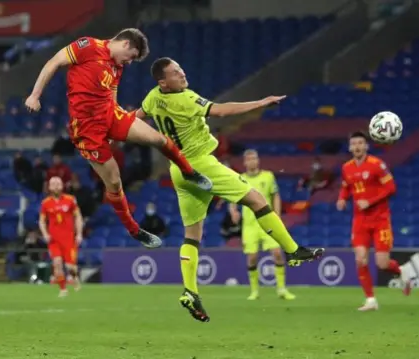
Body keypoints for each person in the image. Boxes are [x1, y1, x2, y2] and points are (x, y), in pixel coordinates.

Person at [137, 57, 324, 322]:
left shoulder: (153, 97)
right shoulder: (186, 99)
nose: (182, 72)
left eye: (181, 68)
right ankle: (293, 250)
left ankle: (190, 291)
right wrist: (260, 102)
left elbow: (136, 116)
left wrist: (113, 127)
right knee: (257, 200)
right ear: (163, 82)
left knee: (192, 235)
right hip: (201, 164)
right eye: (175, 72)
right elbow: (222, 111)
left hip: (177, 169)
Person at [24, 28, 211, 249]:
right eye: (131, 56)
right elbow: (53, 62)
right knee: (113, 181)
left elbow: (112, 93)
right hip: (86, 128)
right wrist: (35, 95)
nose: (129, 62)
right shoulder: (88, 46)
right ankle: (134, 230)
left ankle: (189, 172)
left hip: (110, 114)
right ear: (125, 44)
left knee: (159, 139)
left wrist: (114, 126)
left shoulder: (117, 65)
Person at [336, 131, 410, 312]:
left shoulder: (377, 165)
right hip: (360, 221)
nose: (357, 147)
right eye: (354, 144)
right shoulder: (346, 167)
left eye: (360, 143)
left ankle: (401, 272)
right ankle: (370, 300)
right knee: (360, 259)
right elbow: (346, 186)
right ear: (350, 147)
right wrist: (342, 198)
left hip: (380, 220)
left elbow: (391, 188)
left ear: (366, 146)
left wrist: (370, 201)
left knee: (382, 264)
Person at [228, 149, 295, 301]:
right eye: (249, 159)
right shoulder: (240, 179)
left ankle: (282, 289)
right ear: (245, 162)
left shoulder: (268, 176)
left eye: (254, 158)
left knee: (277, 253)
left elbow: (275, 195)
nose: (252, 161)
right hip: (250, 225)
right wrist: (233, 212)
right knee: (252, 258)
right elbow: (232, 198)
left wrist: (277, 214)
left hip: (267, 222)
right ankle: (254, 291)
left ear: (258, 161)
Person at [39, 176, 84, 297]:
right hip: (54, 240)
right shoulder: (45, 203)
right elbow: (42, 221)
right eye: (53, 184)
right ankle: (63, 289)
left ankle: (74, 278)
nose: (56, 186)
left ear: (62, 185)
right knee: (57, 263)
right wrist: (45, 234)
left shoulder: (70, 200)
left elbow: (78, 217)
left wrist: (79, 234)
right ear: (49, 187)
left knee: (70, 267)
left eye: (58, 184)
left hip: (69, 239)